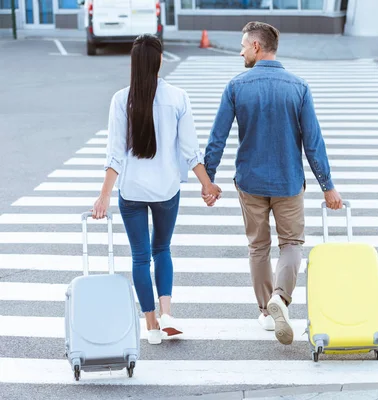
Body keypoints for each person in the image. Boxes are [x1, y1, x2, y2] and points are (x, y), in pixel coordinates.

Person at [203, 22, 343, 345]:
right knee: (292, 244)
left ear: (256, 47)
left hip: (250, 182)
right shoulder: (298, 87)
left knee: (258, 247)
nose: (239, 51)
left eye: (242, 45)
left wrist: (208, 179)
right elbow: (313, 142)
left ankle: (267, 312)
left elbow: (217, 138)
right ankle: (281, 297)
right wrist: (327, 185)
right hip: (288, 181)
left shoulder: (236, 86)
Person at [91, 34, 221, 345]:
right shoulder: (178, 97)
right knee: (162, 249)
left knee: (140, 258)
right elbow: (191, 151)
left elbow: (115, 154)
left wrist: (105, 194)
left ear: (133, 64)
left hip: (132, 192)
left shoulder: (122, 100)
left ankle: (150, 326)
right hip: (166, 191)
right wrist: (208, 185)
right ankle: (167, 314)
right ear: (160, 60)